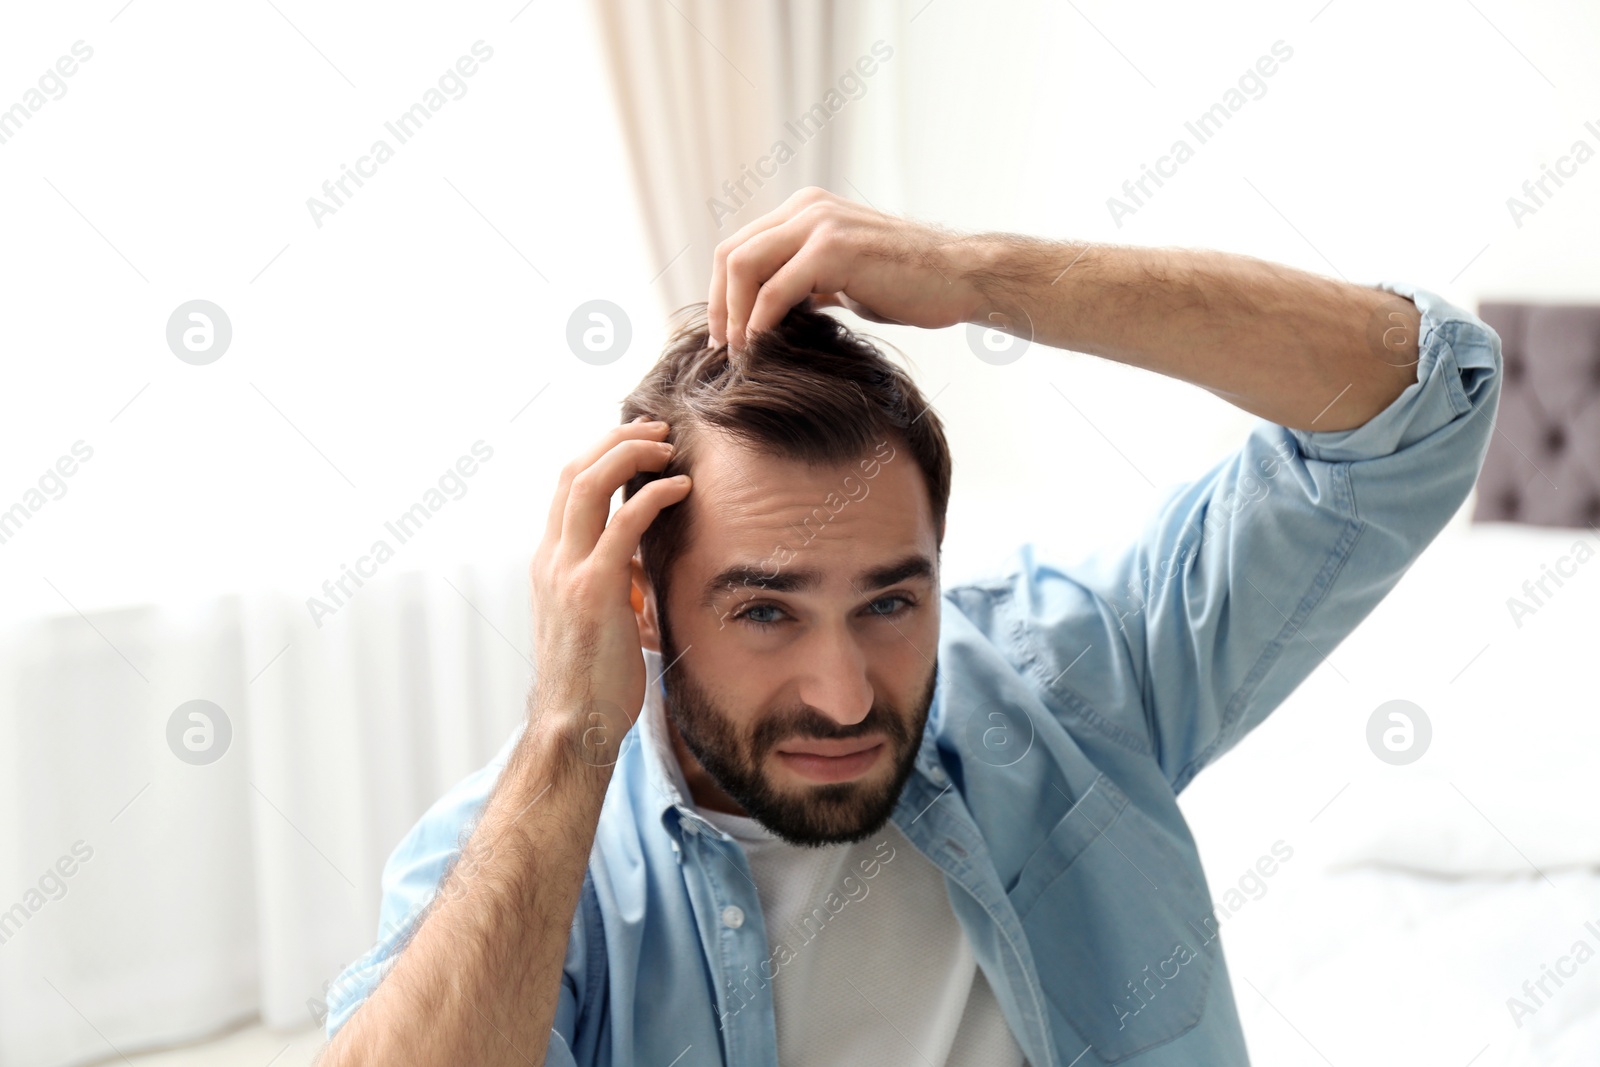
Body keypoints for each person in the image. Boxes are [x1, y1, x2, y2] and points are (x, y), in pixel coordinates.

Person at [316, 188, 1502, 1066]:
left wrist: (988, 273)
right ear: (639, 594)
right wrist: (572, 729)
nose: (842, 692)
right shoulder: (517, 858)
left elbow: (1425, 401)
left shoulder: (1073, 673)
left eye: (890, 600)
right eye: (766, 610)